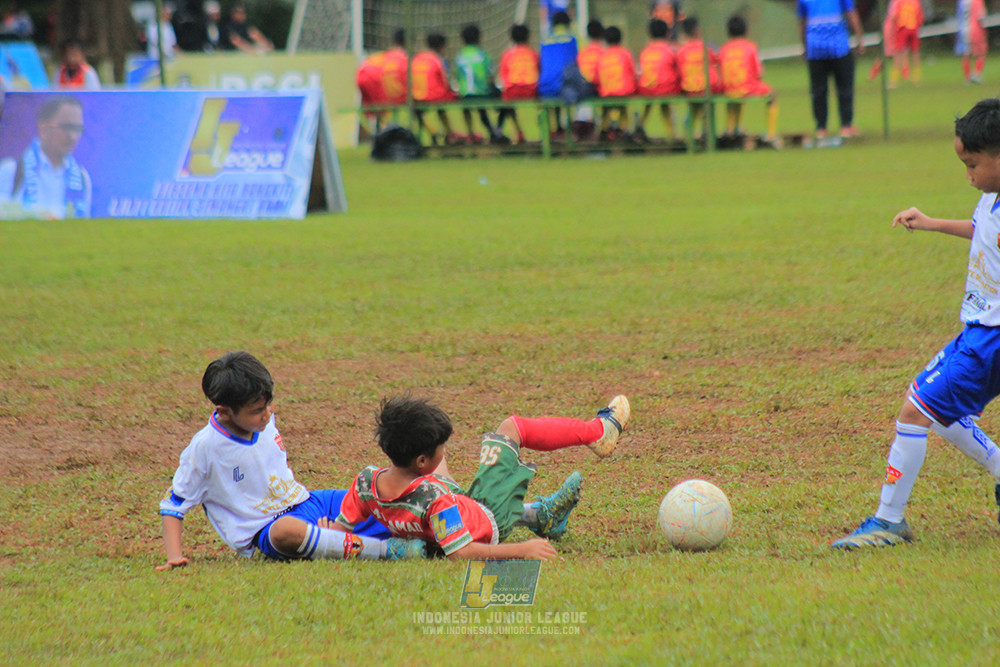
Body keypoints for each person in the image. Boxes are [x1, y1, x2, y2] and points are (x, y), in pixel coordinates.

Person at [832, 99, 1000, 550]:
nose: (968, 174)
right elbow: (982, 229)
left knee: (915, 412)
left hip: (992, 340)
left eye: (973, 165)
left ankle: (889, 522)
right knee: (934, 409)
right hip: (980, 332)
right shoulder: (991, 198)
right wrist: (930, 223)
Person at [157, 351, 426, 570]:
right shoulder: (204, 449)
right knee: (286, 532)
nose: (268, 413)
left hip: (307, 502)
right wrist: (174, 556)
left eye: (268, 404)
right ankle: (388, 551)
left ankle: (441, 531)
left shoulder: (264, 422)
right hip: (267, 529)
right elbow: (174, 505)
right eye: (257, 410)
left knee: (369, 496)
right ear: (224, 412)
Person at [332, 394, 631, 560]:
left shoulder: (366, 482)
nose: (444, 449)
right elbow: (462, 552)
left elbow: (337, 532)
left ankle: (544, 516)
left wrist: (329, 530)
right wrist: (523, 551)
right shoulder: (434, 501)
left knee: (441, 470)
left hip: (438, 505)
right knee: (512, 427)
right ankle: (599, 432)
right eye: (441, 447)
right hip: (487, 515)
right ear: (422, 460)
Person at [0, 95, 91, 219]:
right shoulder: (11, 171)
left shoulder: (82, 179)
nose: (72, 136)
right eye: (66, 127)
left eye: (77, 129)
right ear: (43, 128)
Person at [797, 0, 864, 146]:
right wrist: (860, 38)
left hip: (815, 47)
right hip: (838, 45)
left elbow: (802, 21)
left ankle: (821, 128)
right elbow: (851, 13)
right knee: (845, 87)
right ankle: (846, 126)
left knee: (818, 90)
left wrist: (804, 45)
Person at [719, 14, 779, 143]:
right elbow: (759, 72)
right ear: (746, 30)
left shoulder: (724, 48)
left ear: (728, 32)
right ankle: (771, 134)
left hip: (728, 88)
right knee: (772, 95)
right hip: (746, 88)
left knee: (733, 97)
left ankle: (731, 129)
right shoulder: (750, 47)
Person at [454, 24, 505, 144]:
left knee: (476, 108)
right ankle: (497, 129)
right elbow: (490, 77)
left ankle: (472, 134)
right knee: (506, 103)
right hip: (481, 94)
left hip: (465, 95)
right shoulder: (482, 55)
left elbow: (458, 76)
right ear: (479, 38)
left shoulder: (459, 56)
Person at [411, 32, 461, 145]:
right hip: (437, 96)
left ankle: (432, 132)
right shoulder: (440, 60)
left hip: (417, 96)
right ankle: (450, 134)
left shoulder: (417, 58)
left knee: (416, 112)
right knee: (441, 108)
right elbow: (445, 80)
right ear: (442, 46)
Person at [676, 16, 721, 138]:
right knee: (708, 104)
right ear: (698, 30)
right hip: (707, 89)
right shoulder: (706, 48)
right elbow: (716, 61)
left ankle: (690, 130)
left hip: (689, 89)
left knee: (694, 105)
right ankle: (708, 134)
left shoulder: (681, 50)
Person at [356, 28, 408, 133]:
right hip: (374, 77)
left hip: (362, 72)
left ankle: (379, 132)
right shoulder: (401, 57)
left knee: (376, 111)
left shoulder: (382, 56)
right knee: (387, 107)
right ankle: (386, 133)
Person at [637, 18, 680, 140]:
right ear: (668, 33)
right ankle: (672, 135)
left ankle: (640, 127)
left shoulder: (645, 51)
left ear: (650, 34)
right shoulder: (671, 50)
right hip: (667, 88)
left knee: (649, 101)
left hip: (647, 89)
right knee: (665, 104)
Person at [497, 23, 539, 144]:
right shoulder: (532, 53)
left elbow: (504, 76)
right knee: (543, 103)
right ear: (528, 37)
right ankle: (544, 130)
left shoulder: (508, 54)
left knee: (505, 105)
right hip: (531, 91)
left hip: (513, 91)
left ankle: (514, 131)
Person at [538, 10, 577, 138]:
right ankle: (578, 130)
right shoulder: (572, 39)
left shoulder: (544, 41)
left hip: (545, 87)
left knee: (554, 90)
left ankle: (555, 129)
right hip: (566, 87)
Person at [595, 25, 637, 141]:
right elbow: (632, 73)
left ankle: (603, 131)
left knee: (606, 108)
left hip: (606, 92)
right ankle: (623, 130)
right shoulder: (625, 53)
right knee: (623, 107)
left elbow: (597, 77)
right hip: (624, 91)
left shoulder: (601, 56)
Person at [885, 0, 924, 86]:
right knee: (915, 53)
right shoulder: (916, 2)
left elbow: (895, 16)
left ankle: (893, 81)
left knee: (898, 54)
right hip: (914, 29)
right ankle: (916, 79)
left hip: (902, 29)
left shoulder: (899, 2)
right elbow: (920, 19)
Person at [956, 0, 986, 85]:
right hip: (975, 29)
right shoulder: (977, 1)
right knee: (981, 51)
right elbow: (981, 17)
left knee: (966, 53)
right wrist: (983, 29)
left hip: (963, 29)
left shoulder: (961, 2)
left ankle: (967, 77)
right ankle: (977, 73)